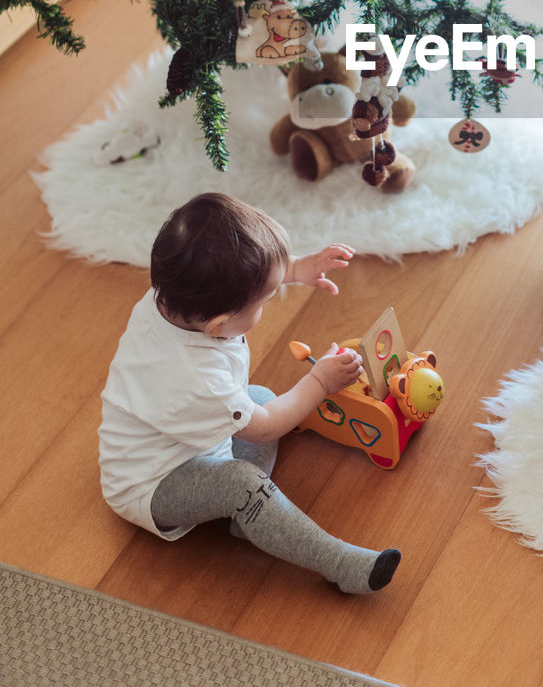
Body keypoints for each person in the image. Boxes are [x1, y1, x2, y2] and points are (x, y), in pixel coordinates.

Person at [98, 192, 401, 592]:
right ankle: (340, 563)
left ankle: (250, 518)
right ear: (220, 326)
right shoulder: (198, 378)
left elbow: (235, 279)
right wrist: (320, 382)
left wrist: (296, 268)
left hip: (192, 439)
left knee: (257, 394)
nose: (270, 299)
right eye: (266, 298)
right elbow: (264, 429)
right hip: (154, 484)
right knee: (243, 477)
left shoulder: (171, 296)